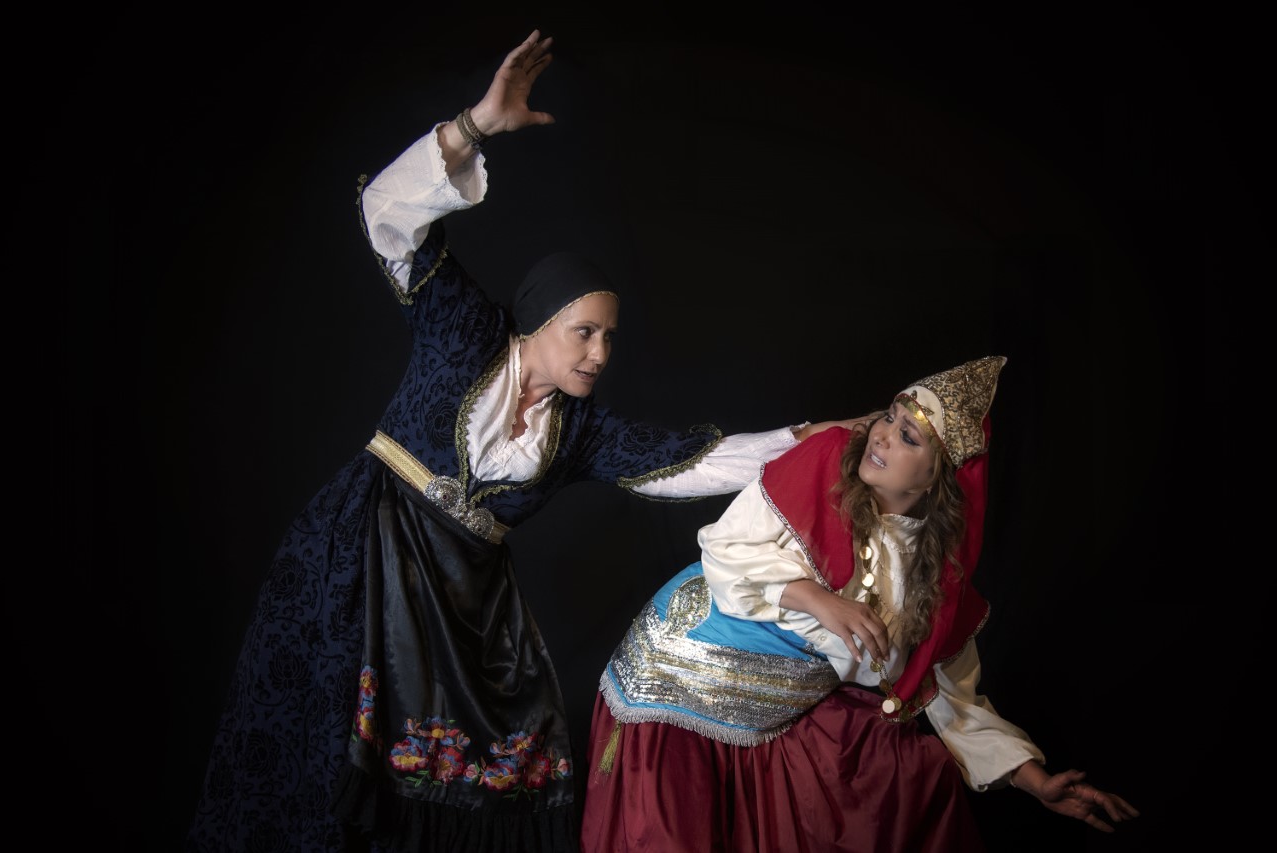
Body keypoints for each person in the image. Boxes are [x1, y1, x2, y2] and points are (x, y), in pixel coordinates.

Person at [185, 30, 863, 853]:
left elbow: (689, 461)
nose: (600, 354)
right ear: (538, 322)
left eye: (609, 338)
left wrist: (814, 438)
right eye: (585, 332)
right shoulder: (463, 331)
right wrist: (473, 126)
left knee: (449, 779)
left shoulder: (580, 431)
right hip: (359, 558)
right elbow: (388, 219)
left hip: (457, 610)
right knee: (325, 743)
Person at [580, 355, 1141, 852]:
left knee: (905, 777)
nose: (882, 436)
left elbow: (952, 694)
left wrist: (1034, 781)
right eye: (889, 418)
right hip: (675, 678)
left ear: (938, 478)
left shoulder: (935, 582)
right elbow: (724, 549)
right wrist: (818, 599)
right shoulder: (824, 462)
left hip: (774, 705)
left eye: (909, 437)